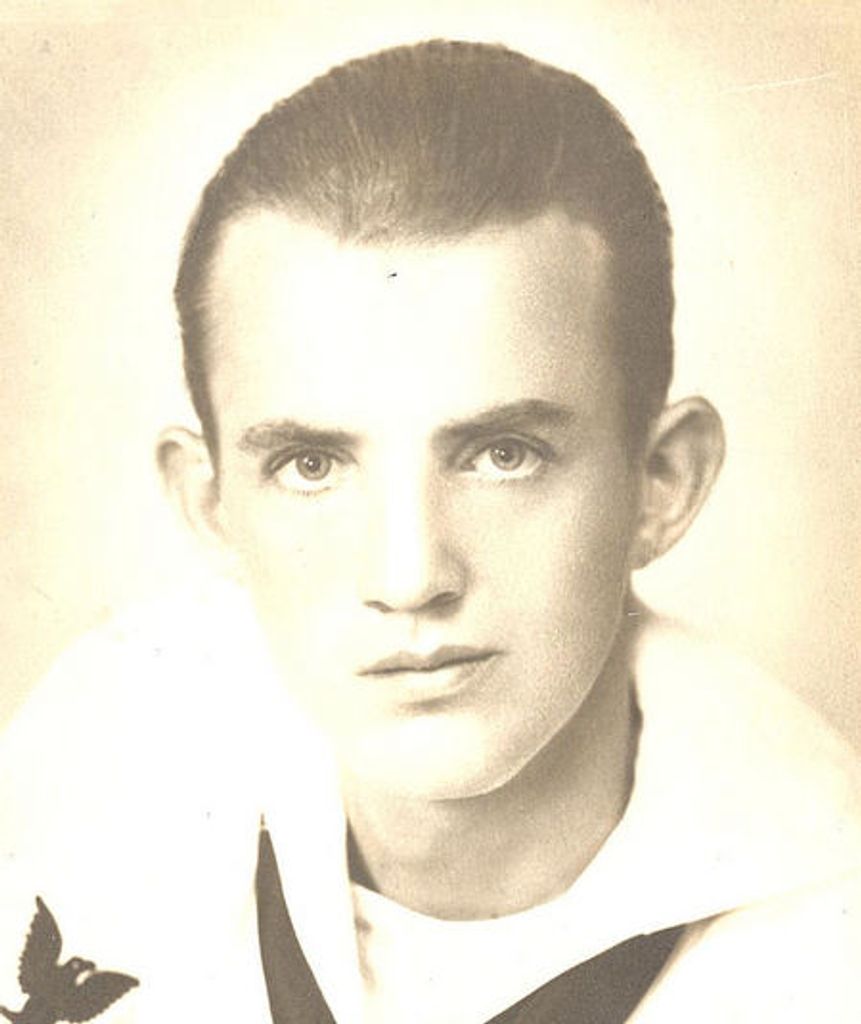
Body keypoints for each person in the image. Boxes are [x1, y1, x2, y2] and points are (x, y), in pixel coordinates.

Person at [0, 39, 859, 1024]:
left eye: (502, 454)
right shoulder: (87, 758)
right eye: (311, 466)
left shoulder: (830, 949)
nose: (409, 577)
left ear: (662, 481)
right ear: (211, 505)